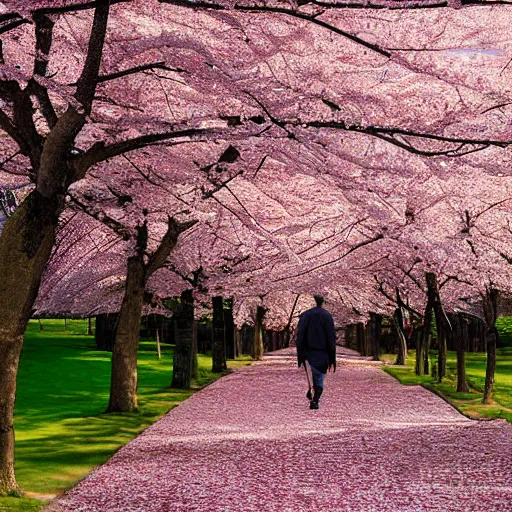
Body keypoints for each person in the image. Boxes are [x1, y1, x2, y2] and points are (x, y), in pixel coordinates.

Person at [296, 295, 336, 409]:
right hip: (323, 352)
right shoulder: (327, 316)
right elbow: (331, 338)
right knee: (319, 376)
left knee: (313, 375)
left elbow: (300, 335)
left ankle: (313, 394)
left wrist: (300, 354)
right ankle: (315, 398)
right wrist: (332, 358)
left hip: (308, 352)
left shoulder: (305, 315)